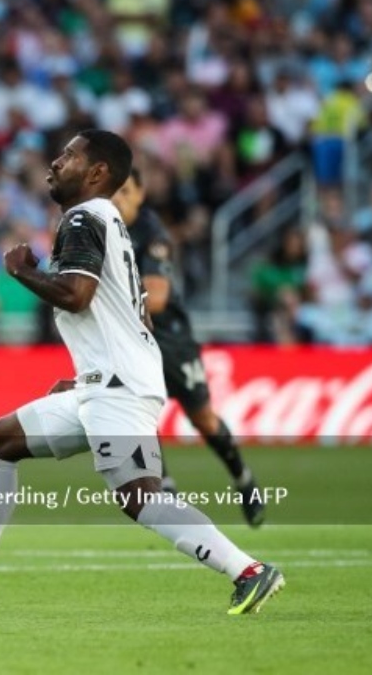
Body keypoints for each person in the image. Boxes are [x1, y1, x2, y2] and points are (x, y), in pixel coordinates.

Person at [0, 130, 282, 615]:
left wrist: (22, 272)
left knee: (139, 497)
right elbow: (135, 315)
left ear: (97, 172)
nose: (55, 162)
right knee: (2, 440)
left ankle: (248, 571)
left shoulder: (84, 216)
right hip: (107, 384)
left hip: (118, 387)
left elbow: (77, 295)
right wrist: (88, 378)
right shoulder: (110, 222)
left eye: (69, 155)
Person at [112, 168, 266, 526]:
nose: (117, 199)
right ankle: (166, 487)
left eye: (124, 191)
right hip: (132, 339)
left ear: (140, 193)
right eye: (111, 192)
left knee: (203, 419)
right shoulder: (105, 230)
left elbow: (159, 298)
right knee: (136, 412)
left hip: (171, 339)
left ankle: (243, 479)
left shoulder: (152, 235)